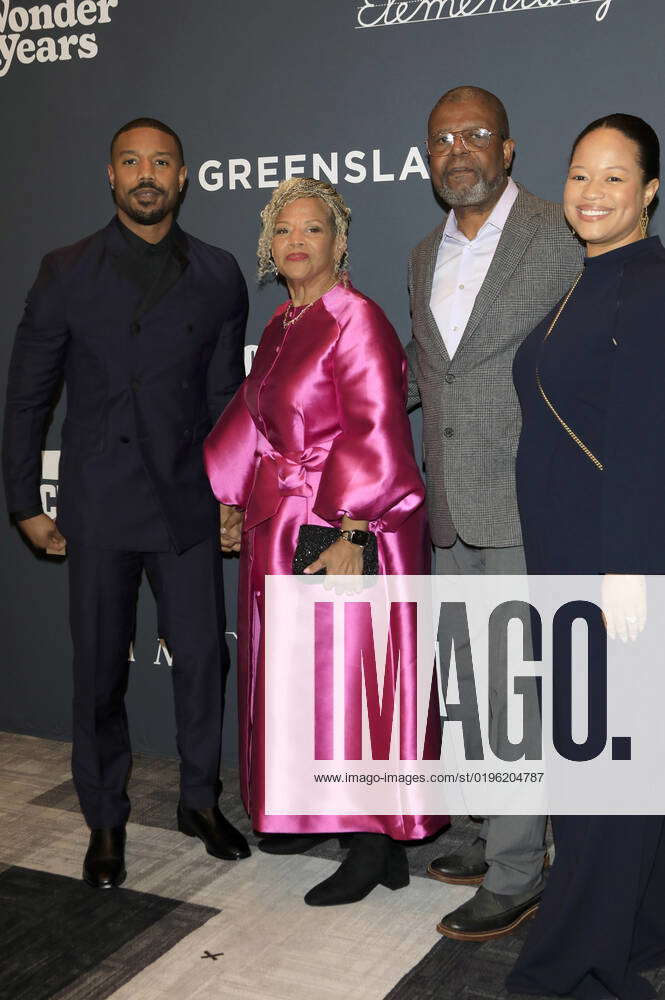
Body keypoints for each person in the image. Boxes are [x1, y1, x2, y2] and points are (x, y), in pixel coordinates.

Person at [2, 117, 251, 889]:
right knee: (99, 671)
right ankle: (104, 818)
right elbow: (28, 395)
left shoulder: (217, 272)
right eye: (132, 161)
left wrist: (232, 493)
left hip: (186, 502)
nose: (147, 174)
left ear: (183, 177)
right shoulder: (66, 269)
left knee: (202, 660)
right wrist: (23, 501)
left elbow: (226, 399)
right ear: (111, 175)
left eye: (162, 162)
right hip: (99, 502)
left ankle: (199, 800)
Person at [204, 176, 445, 907]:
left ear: (339, 244)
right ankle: (321, 811)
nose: (297, 241)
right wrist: (231, 495)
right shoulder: (283, 321)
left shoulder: (355, 318)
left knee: (353, 677)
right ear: (267, 247)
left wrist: (353, 529)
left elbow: (375, 425)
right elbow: (252, 417)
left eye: (313, 229)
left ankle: (371, 841)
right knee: (304, 676)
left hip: (346, 521)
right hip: (282, 521)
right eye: (283, 230)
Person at [406, 85, 583, 940]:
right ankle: (499, 832)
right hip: (449, 506)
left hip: (526, 503)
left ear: (508, 149)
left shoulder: (560, 233)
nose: (458, 150)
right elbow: (428, 374)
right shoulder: (420, 254)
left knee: (515, 694)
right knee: (470, 690)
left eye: (475, 134)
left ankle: (518, 874)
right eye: (442, 139)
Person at [507, 114, 665, 999]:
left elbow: (646, 435)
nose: (591, 192)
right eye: (578, 175)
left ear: (648, 191)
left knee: (603, 773)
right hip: (572, 560)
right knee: (610, 764)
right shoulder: (597, 279)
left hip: (610, 571)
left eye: (613, 177)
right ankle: (634, 932)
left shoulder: (647, 283)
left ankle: (574, 969)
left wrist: (628, 568)